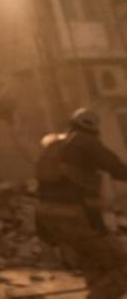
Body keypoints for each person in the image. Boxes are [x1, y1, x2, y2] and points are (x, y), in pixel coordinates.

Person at [36, 108, 127, 299]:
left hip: (49, 218)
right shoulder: (86, 141)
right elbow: (117, 169)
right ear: (94, 128)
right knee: (122, 266)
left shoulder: (55, 145)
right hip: (76, 217)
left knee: (95, 265)